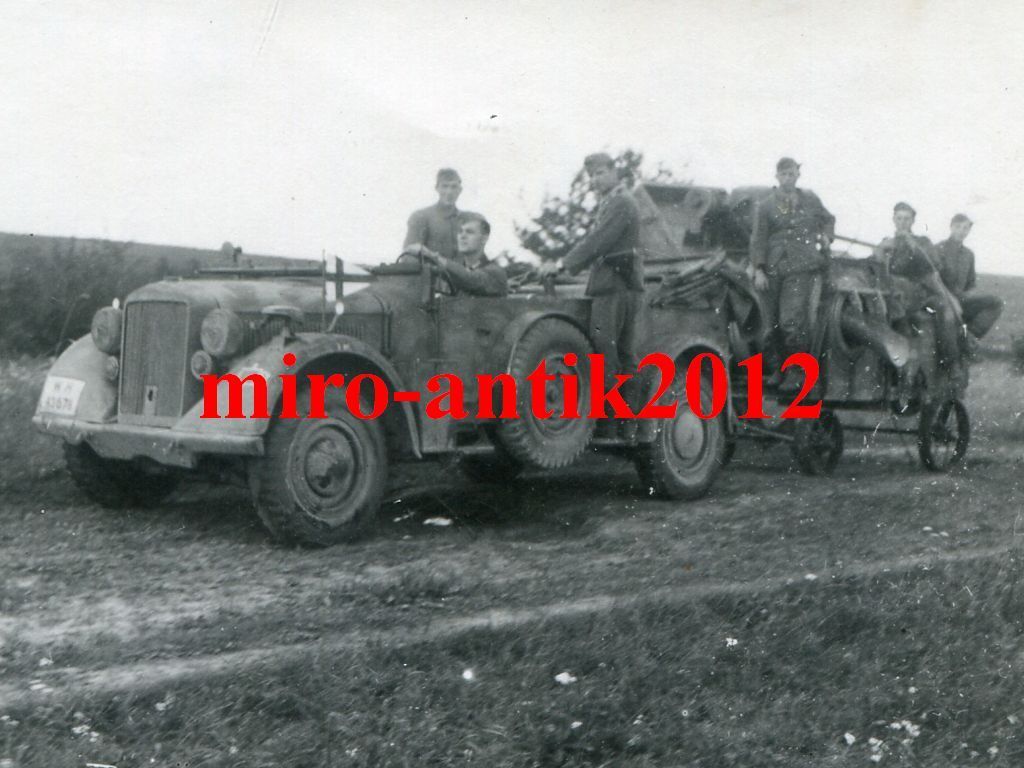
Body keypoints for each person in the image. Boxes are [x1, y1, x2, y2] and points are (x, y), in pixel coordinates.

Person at [539, 152, 644, 419]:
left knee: (604, 351)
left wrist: (562, 265)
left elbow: (598, 241)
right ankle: (629, 421)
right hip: (620, 284)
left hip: (613, 286)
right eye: (591, 176)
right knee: (623, 354)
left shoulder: (620, 202)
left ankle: (610, 419)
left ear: (614, 172)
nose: (595, 180)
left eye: (600, 173)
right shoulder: (616, 200)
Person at [748, 157, 835, 387]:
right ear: (777, 176)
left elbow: (828, 219)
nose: (788, 178)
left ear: (798, 175)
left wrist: (827, 236)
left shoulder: (810, 199)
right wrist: (759, 269)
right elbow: (758, 238)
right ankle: (779, 369)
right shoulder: (765, 205)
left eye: (792, 174)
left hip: (801, 266)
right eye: (784, 174)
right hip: (773, 267)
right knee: (770, 324)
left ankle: (796, 372)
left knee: (792, 320)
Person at [872, 202, 962, 377]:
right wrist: (880, 252)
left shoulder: (923, 241)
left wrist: (912, 245)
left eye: (907, 219)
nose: (902, 223)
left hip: (922, 295)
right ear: (893, 220)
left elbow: (934, 265)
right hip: (895, 296)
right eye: (899, 218)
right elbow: (875, 268)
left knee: (945, 311)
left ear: (913, 221)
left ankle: (951, 363)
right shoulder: (887, 243)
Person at [935, 213, 1003, 341]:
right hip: (941, 299)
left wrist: (969, 296)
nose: (961, 231)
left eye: (965, 228)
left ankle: (969, 337)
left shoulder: (968, 255)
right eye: (958, 227)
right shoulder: (938, 249)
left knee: (996, 303)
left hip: (961, 300)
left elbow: (971, 283)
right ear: (951, 227)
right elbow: (934, 280)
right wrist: (952, 300)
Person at [420, 212, 507, 296]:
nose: (462, 236)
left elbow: (470, 279)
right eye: (460, 231)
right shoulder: (454, 273)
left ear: (484, 239)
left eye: (469, 232)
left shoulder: (496, 273)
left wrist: (431, 255)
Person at [403, 168, 463, 261]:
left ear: (460, 190)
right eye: (445, 186)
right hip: (431, 269)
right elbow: (408, 254)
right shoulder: (421, 216)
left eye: (454, 187)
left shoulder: (467, 220)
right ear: (437, 188)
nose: (449, 192)